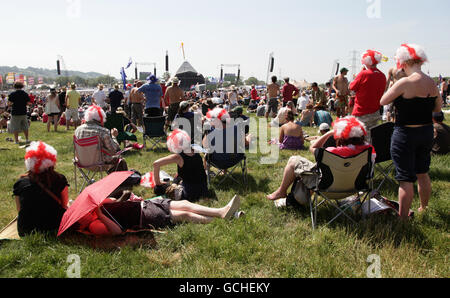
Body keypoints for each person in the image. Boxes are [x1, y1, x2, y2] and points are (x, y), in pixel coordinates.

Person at [380, 44, 442, 219]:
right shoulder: (432, 82)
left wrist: (392, 83)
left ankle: (403, 218)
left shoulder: (405, 82)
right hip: (426, 132)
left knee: (405, 178)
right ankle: (424, 207)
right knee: (423, 172)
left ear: (404, 63)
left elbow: (383, 101)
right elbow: (437, 108)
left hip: (405, 134)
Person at [267, 116, 376, 202]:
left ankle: (281, 191)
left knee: (293, 160)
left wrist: (329, 133)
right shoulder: (368, 150)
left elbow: (312, 147)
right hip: (355, 187)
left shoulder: (332, 152)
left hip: (327, 188)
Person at [13, 141, 68, 237]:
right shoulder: (60, 179)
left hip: (26, 230)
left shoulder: (20, 183)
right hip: (54, 226)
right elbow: (64, 204)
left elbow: (19, 209)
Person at [153, 129, 209, 201]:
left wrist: (158, 183)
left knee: (158, 188)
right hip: (203, 190)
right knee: (178, 176)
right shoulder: (195, 152)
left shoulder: (178, 157)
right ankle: (175, 184)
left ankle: (173, 185)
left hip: (189, 193)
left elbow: (156, 164)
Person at [75, 105, 128, 173]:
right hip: (99, 164)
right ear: (101, 118)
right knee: (120, 160)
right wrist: (114, 136)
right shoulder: (103, 131)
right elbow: (114, 150)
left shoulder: (78, 130)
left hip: (81, 162)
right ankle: (120, 181)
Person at [350, 50, 387, 139]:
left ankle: (363, 152)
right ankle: (372, 151)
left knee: (359, 137)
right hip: (375, 111)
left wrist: (359, 75)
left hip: (361, 112)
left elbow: (351, 87)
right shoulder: (382, 75)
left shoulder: (363, 74)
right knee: (371, 136)